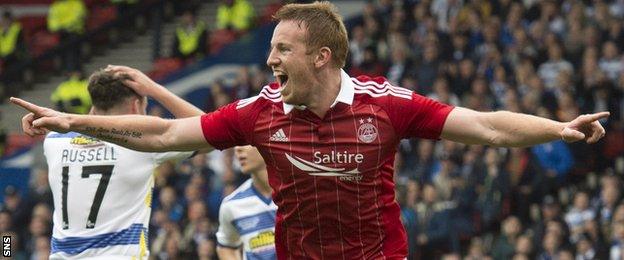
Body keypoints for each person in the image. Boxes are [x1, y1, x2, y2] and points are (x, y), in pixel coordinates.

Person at [11, 2, 610, 259]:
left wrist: (558, 128)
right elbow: (169, 137)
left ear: (321, 56)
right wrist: (72, 119)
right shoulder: (260, 113)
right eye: (271, 49)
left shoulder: (387, 105)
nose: (270, 61)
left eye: (282, 49)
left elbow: (484, 125)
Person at [37, 67, 207, 259]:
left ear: (94, 107)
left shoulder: (55, 141)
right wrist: (154, 89)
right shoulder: (143, 145)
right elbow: (208, 131)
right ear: (136, 106)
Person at [216, 145, 276, 259]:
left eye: (245, 142)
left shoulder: (298, 193)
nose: (237, 149)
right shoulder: (232, 204)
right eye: (236, 143)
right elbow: (226, 246)